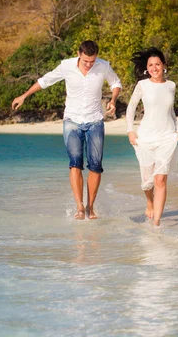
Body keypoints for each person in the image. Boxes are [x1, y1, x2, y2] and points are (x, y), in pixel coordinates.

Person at [11, 40, 122, 220]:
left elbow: (115, 83)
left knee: (95, 166)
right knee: (75, 163)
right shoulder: (66, 66)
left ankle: (90, 207)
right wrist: (24, 96)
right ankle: (79, 207)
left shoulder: (103, 66)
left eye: (92, 61)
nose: (89, 65)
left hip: (95, 120)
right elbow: (45, 81)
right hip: (72, 121)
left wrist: (113, 100)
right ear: (79, 54)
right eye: (86, 61)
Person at [126, 47, 178, 227]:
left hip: (167, 137)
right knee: (147, 181)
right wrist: (130, 130)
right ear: (147, 67)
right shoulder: (143, 85)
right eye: (150, 65)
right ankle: (149, 202)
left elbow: (171, 111)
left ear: (164, 65)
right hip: (145, 137)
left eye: (157, 64)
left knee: (160, 179)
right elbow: (131, 108)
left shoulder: (171, 85)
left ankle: (156, 223)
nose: (154, 67)